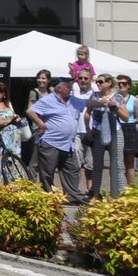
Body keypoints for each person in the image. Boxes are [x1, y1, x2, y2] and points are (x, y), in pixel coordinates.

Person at [28, 75, 90, 204]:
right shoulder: (48, 100)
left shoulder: (74, 101)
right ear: (58, 89)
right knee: (47, 172)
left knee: (72, 169)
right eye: (68, 87)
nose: (71, 89)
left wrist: (105, 103)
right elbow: (30, 111)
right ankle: (48, 197)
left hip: (68, 144)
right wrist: (40, 123)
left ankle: (73, 196)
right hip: (51, 142)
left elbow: (88, 103)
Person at [82, 74, 126, 198]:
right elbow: (88, 108)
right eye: (97, 82)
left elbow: (126, 117)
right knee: (97, 165)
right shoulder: (95, 95)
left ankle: (120, 193)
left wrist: (115, 106)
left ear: (109, 83)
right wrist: (87, 128)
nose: (98, 84)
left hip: (115, 132)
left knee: (117, 164)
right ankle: (95, 193)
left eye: (101, 82)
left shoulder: (118, 97)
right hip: (98, 132)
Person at [116, 74, 138, 185]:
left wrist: (129, 122)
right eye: (119, 83)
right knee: (118, 161)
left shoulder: (134, 99)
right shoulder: (114, 97)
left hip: (129, 128)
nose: (121, 85)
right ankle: (119, 187)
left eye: (124, 83)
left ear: (129, 86)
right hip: (117, 127)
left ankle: (131, 188)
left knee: (130, 162)